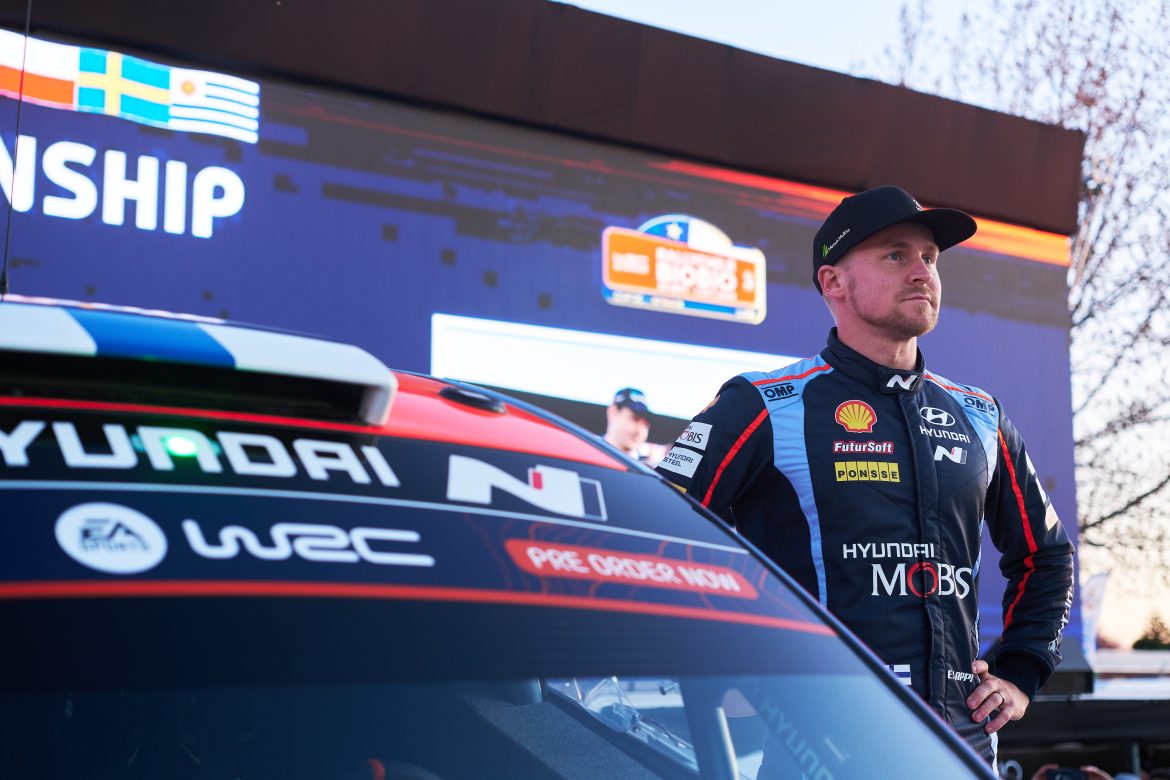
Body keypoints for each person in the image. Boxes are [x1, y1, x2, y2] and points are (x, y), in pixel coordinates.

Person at [655, 185, 1075, 765]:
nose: (922, 272)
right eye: (895, 255)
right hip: (815, 748)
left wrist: (1022, 671)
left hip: (962, 745)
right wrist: (725, 663)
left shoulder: (980, 414)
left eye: (930, 257)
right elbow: (649, 529)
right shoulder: (765, 404)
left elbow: (1047, 556)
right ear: (833, 282)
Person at [603, 387, 663, 465]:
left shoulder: (649, 469)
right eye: (635, 419)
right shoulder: (589, 455)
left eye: (646, 424)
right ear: (613, 412)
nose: (640, 431)